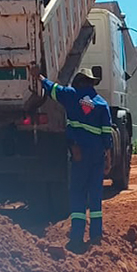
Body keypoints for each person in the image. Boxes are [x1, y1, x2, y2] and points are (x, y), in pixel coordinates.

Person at [39, 67, 113, 248]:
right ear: (92, 83)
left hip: (79, 154)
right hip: (97, 156)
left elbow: (52, 89)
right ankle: (95, 236)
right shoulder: (102, 104)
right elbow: (107, 134)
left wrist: (39, 77)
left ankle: (76, 237)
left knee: (78, 194)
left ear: (78, 82)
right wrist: (108, 158)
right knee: (95, 195)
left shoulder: (71, 96)